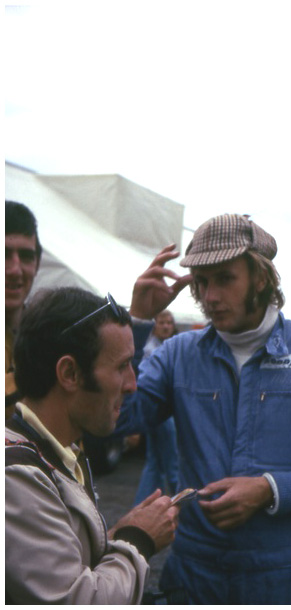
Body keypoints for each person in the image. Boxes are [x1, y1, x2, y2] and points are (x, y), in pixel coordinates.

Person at [116, 213, 291, 605]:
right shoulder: (178, 354)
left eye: (225, 278)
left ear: (261, 277)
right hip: (193, 577)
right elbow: (118, 418)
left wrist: (270, 489)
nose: (209, 296)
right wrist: (135, 322)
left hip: (286, 580)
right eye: (202, 281)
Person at [5, 287, 182, 604]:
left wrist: (114, 534)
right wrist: (137, 538)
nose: (132, 384)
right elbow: (81, 600)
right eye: (121, 366)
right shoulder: (15, 479)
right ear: (70, 373)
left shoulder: (57, 452)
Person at [134, 310, 180, 504]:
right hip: (161, 410)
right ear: (154, 325)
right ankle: (185, 504)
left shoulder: (165, 346)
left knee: (154, 461)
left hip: (160, 410)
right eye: (162, 322)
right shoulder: (152, 349)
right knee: (174, 461)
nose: (166, 326)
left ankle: (141, 505)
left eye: (169, 322)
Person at [5, 200, 42, 418]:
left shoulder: (47, 336)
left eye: (26, 256)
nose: (15, 269)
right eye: (4, 254)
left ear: (37, 264)